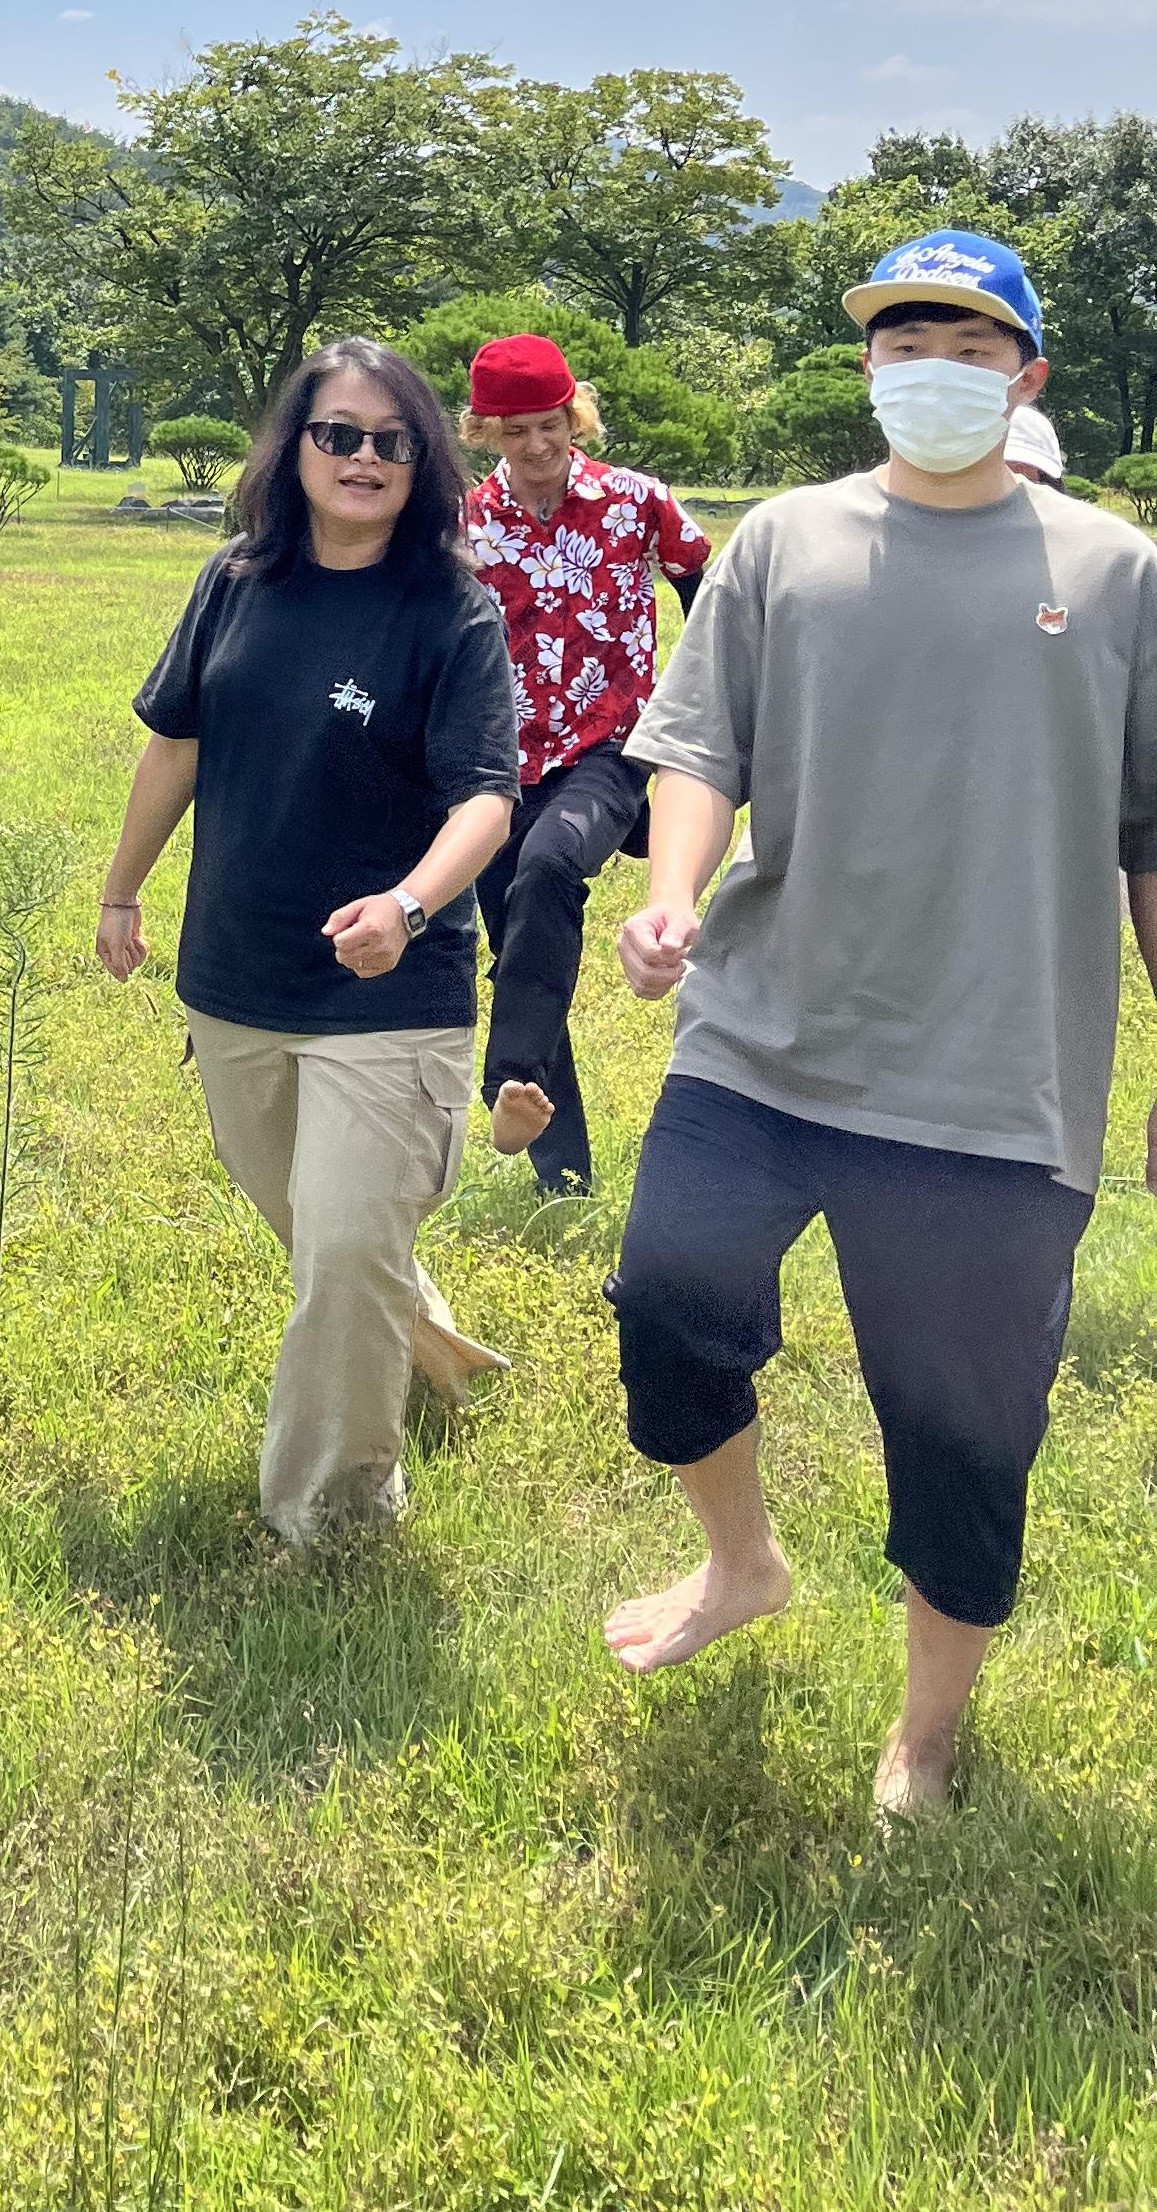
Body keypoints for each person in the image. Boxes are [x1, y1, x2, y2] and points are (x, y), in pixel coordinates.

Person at [600, 228, 1157, 1818]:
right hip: (767, 1030)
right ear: (867, 367)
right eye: (907, 344)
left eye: (971, 349)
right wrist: (672, 894)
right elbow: (698, 749)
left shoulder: (1117, 575)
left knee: (964, 1430)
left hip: (997, 1076)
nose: (936, 371)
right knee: (668, 1304)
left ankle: (925, 1732)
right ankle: (740, 1564)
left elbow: (1152, 838)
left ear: (1026, 379)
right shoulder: (785, 541)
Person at [98, 339, 520, 1546]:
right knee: (319, 1226)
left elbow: (486, 799)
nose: (363, 458)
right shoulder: (236, 579)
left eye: (393, 441)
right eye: (339, 434)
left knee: (341, 1247)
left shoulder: (451, 609)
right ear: (295, 449)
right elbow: (176, 740)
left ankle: (332, 1515)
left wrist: (410, 905)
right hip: (236, 972)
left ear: (425, 462)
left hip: (393, 990)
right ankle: (432, 1353)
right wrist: (122, 889)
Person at [461, 333, 710, 1189]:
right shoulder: (465, 525)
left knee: (549, 868)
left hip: (609, 745)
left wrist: (703, 705)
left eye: (551, 425)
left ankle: (505, 1075)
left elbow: (707, 591)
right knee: (521, 945)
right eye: (515, 430)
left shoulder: (637, 502)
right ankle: (561, 1176)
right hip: (496, 757)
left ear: (577, 419)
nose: (537, 445)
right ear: (487, 433)